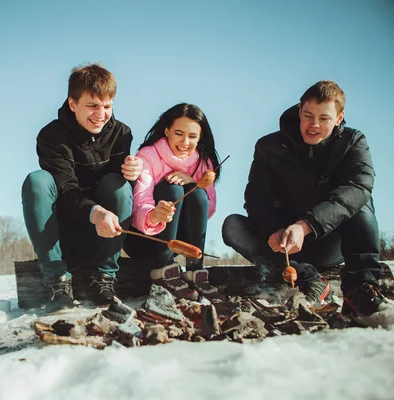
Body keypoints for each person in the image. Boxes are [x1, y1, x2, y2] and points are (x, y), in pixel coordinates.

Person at [222, 80, 394, 328]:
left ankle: (361, 293)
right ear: (299, 111)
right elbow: (256, 197)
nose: (314, 125)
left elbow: (358, 187)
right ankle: (310, 279)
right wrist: (272, 229)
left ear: (338, 118)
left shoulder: (353, 142)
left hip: (331, 242)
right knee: (232, 226)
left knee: (360, 201)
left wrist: (305, 225)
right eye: (308, 116)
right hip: (285, 249)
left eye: (324, 118)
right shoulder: (268, 147)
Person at [21, 63, 143, 314]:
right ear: (72, 103)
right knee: (37, 180)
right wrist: (96, 212)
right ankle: (57, 281)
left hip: (104, 237)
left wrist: (134, 174)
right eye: (92, 105)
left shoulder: (122, 134)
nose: (101, 114)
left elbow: (121, 194)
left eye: (107, 106)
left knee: (118, 185)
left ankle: (105, 277)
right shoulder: (51, 136)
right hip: (63, 233)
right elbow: (66, 189)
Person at [123, 103, 222, 301]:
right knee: (174, 188)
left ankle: (195, 270)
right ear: (167, 131)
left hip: (180, 241)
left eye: (192, 136)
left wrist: (194, 184)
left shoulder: (204, 162)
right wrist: (153, 215)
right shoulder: (148, 155)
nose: (185, 142)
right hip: (145, 239)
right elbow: (138, 203)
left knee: (198, 193)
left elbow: (208, 208)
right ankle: (163, 270)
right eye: (179, 133)